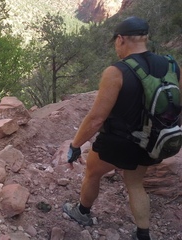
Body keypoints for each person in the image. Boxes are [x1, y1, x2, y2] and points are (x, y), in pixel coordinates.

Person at [62, 16, 182, 240]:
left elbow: (97, 118)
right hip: (152, 141)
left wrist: (75, 144)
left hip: (118, 142)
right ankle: (143, 234)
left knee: (92, 172)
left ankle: (82, 212)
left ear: (120, 40)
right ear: (145, 38)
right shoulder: (172, 64)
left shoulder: (116, 72)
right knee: (135, 183)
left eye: (116, 43)